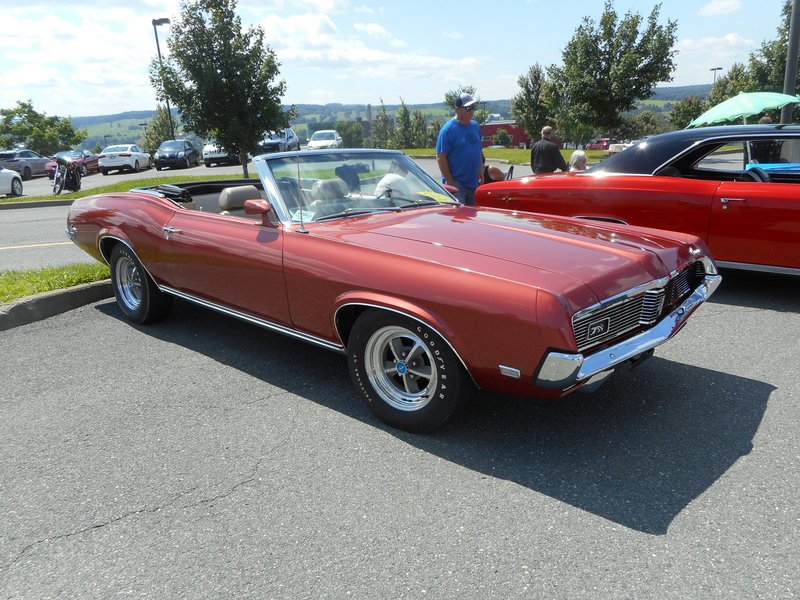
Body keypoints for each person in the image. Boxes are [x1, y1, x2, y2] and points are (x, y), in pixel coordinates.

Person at [436, 93, 483, 204]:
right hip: (457, 185)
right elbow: (440, 157)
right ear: (457, 110)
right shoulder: (448, 130)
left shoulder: (475, 126)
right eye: (468, 108)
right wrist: (450, 182)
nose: (471, 111)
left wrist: (480, 171)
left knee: (473, 217)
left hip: (474, 183)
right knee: (460, 218)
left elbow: (479, 151)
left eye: (473, 108)